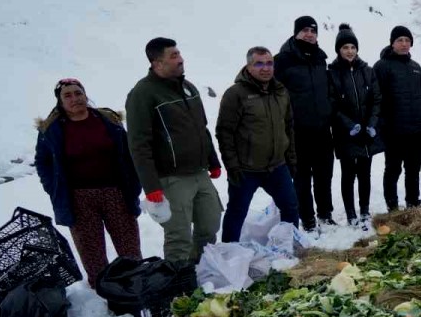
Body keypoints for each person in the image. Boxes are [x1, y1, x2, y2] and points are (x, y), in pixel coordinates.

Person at [35, 78, 142, 287]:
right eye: (68, 95)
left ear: (85, 95)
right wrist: (53, 189)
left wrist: (134, 183)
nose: (75, 99)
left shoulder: (108, 120)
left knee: (129, 246)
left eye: (78, 93)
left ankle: (136, 283)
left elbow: (129, 153)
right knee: (91, 252)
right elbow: (43, 162)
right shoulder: (52, 129)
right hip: (78, 198)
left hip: (115, 192)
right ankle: (104, 290)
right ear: (60, 101)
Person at [125, 37, 223, 265]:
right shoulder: (143, 94)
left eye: (179, 54)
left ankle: (200, 269)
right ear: (157, 63)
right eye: (174, 56)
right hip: (172, 178)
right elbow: (139, 144)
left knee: (210, 225)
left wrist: (213, 160)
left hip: (199, 173)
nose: (181, 60)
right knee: (179, 236)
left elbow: (202, 128)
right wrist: (151, 186)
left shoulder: (187, 87)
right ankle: (178, 285)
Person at [215, 47, 299, 243]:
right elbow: (224, 132)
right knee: (237, 212)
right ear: (248, 66)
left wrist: (291, 158)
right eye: (259, 63)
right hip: (246, 170)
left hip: (277, 166)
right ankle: (229, 252)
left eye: (269, 63)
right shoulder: (235, 94)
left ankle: (290, 245)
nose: (265, 68)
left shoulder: (280, 91)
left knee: (290, 206)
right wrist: (232, 165)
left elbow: (288, 126)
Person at [274, 15, 335, 231]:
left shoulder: (320, 58)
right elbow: (275, 94)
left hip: (322, 129)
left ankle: (325, 214)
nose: (309, 34)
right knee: (301, 178)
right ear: (296, 32)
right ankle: (307, 218)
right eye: (305, 30)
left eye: (313, 30)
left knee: (324, 174)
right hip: (297, 131)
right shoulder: (283, 59)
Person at [327, 24, 384, 230]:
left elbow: (377, 99)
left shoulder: (367, 71)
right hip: (346, 133)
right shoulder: (332, 73)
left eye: (352, 47)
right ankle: (351, 213)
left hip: (367, 131)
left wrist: (371, 124)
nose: (349, 51)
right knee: (348, 174)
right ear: (339, 50)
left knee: (365, 173)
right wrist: (350, 125)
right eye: (345, 47)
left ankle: (365, 210)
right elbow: (332, 104)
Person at [374, 25, 421, 209]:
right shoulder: (382, 66)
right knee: (393, 170)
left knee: (413, 170)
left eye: (407, 41)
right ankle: (392, 205)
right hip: (394, 131)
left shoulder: (416, 68)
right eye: (400, 40)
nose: (404, 44)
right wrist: (382, 125)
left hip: (416, 131)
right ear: (392, 43)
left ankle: (413, 202)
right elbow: (376, 98)